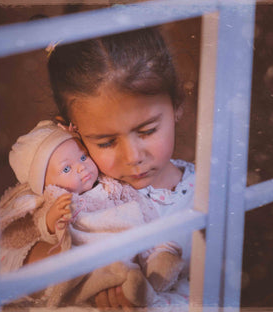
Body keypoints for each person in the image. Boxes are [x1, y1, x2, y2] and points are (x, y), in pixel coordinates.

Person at [46, 26, 196, 309]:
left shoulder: (206, 193)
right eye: (106, 142)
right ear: (74, 132)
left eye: (147, 131)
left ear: (177, 104)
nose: (133, 156)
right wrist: (93, 281)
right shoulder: (79, 194)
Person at [0, 120, 184, 308]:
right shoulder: (57, 199)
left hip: (128, 235)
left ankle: (157, 267)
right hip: (95, 250)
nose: (81, 167)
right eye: (66, 169)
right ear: (46, 184)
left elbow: (134, 200)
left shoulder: (109, 182)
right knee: (98, 275)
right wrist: (52, 220)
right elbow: (45, 230)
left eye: (83, 157)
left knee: (152, 244)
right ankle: (133, 287)